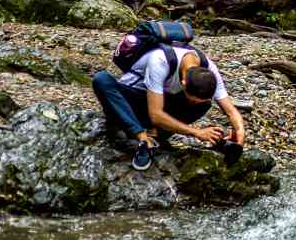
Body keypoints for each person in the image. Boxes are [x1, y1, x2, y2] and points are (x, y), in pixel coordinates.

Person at [91, 43, 246, 171]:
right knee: (101, 79)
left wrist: (239, 133)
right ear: (184, 83)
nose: (192, 103)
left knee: (204, 105)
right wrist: (197, 133)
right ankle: (143, 139)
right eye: (192, 99)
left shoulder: (208, 69)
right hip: (131, 105)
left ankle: (156, 136)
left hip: (160, 105)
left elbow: (231, 111)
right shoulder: (160, 60)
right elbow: (155, 115)